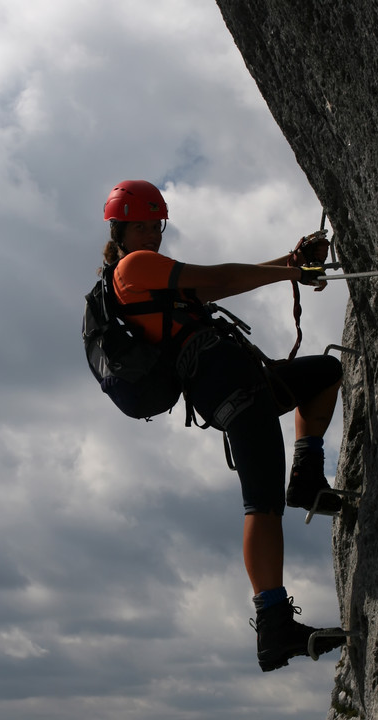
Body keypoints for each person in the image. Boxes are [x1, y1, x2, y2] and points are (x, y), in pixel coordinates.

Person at [100, 179, 345, 672]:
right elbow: (222, 279)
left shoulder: (147, 271)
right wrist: (289, 269)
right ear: (121, 230)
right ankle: (273, 623)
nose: (151, 233)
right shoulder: (134, 267)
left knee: (324, 374)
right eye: (141, 225)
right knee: (262, 503)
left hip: (240, 384)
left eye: (155, 225)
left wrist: (291, 262)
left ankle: (307, 476)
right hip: (230, 391)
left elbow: (221, 281)